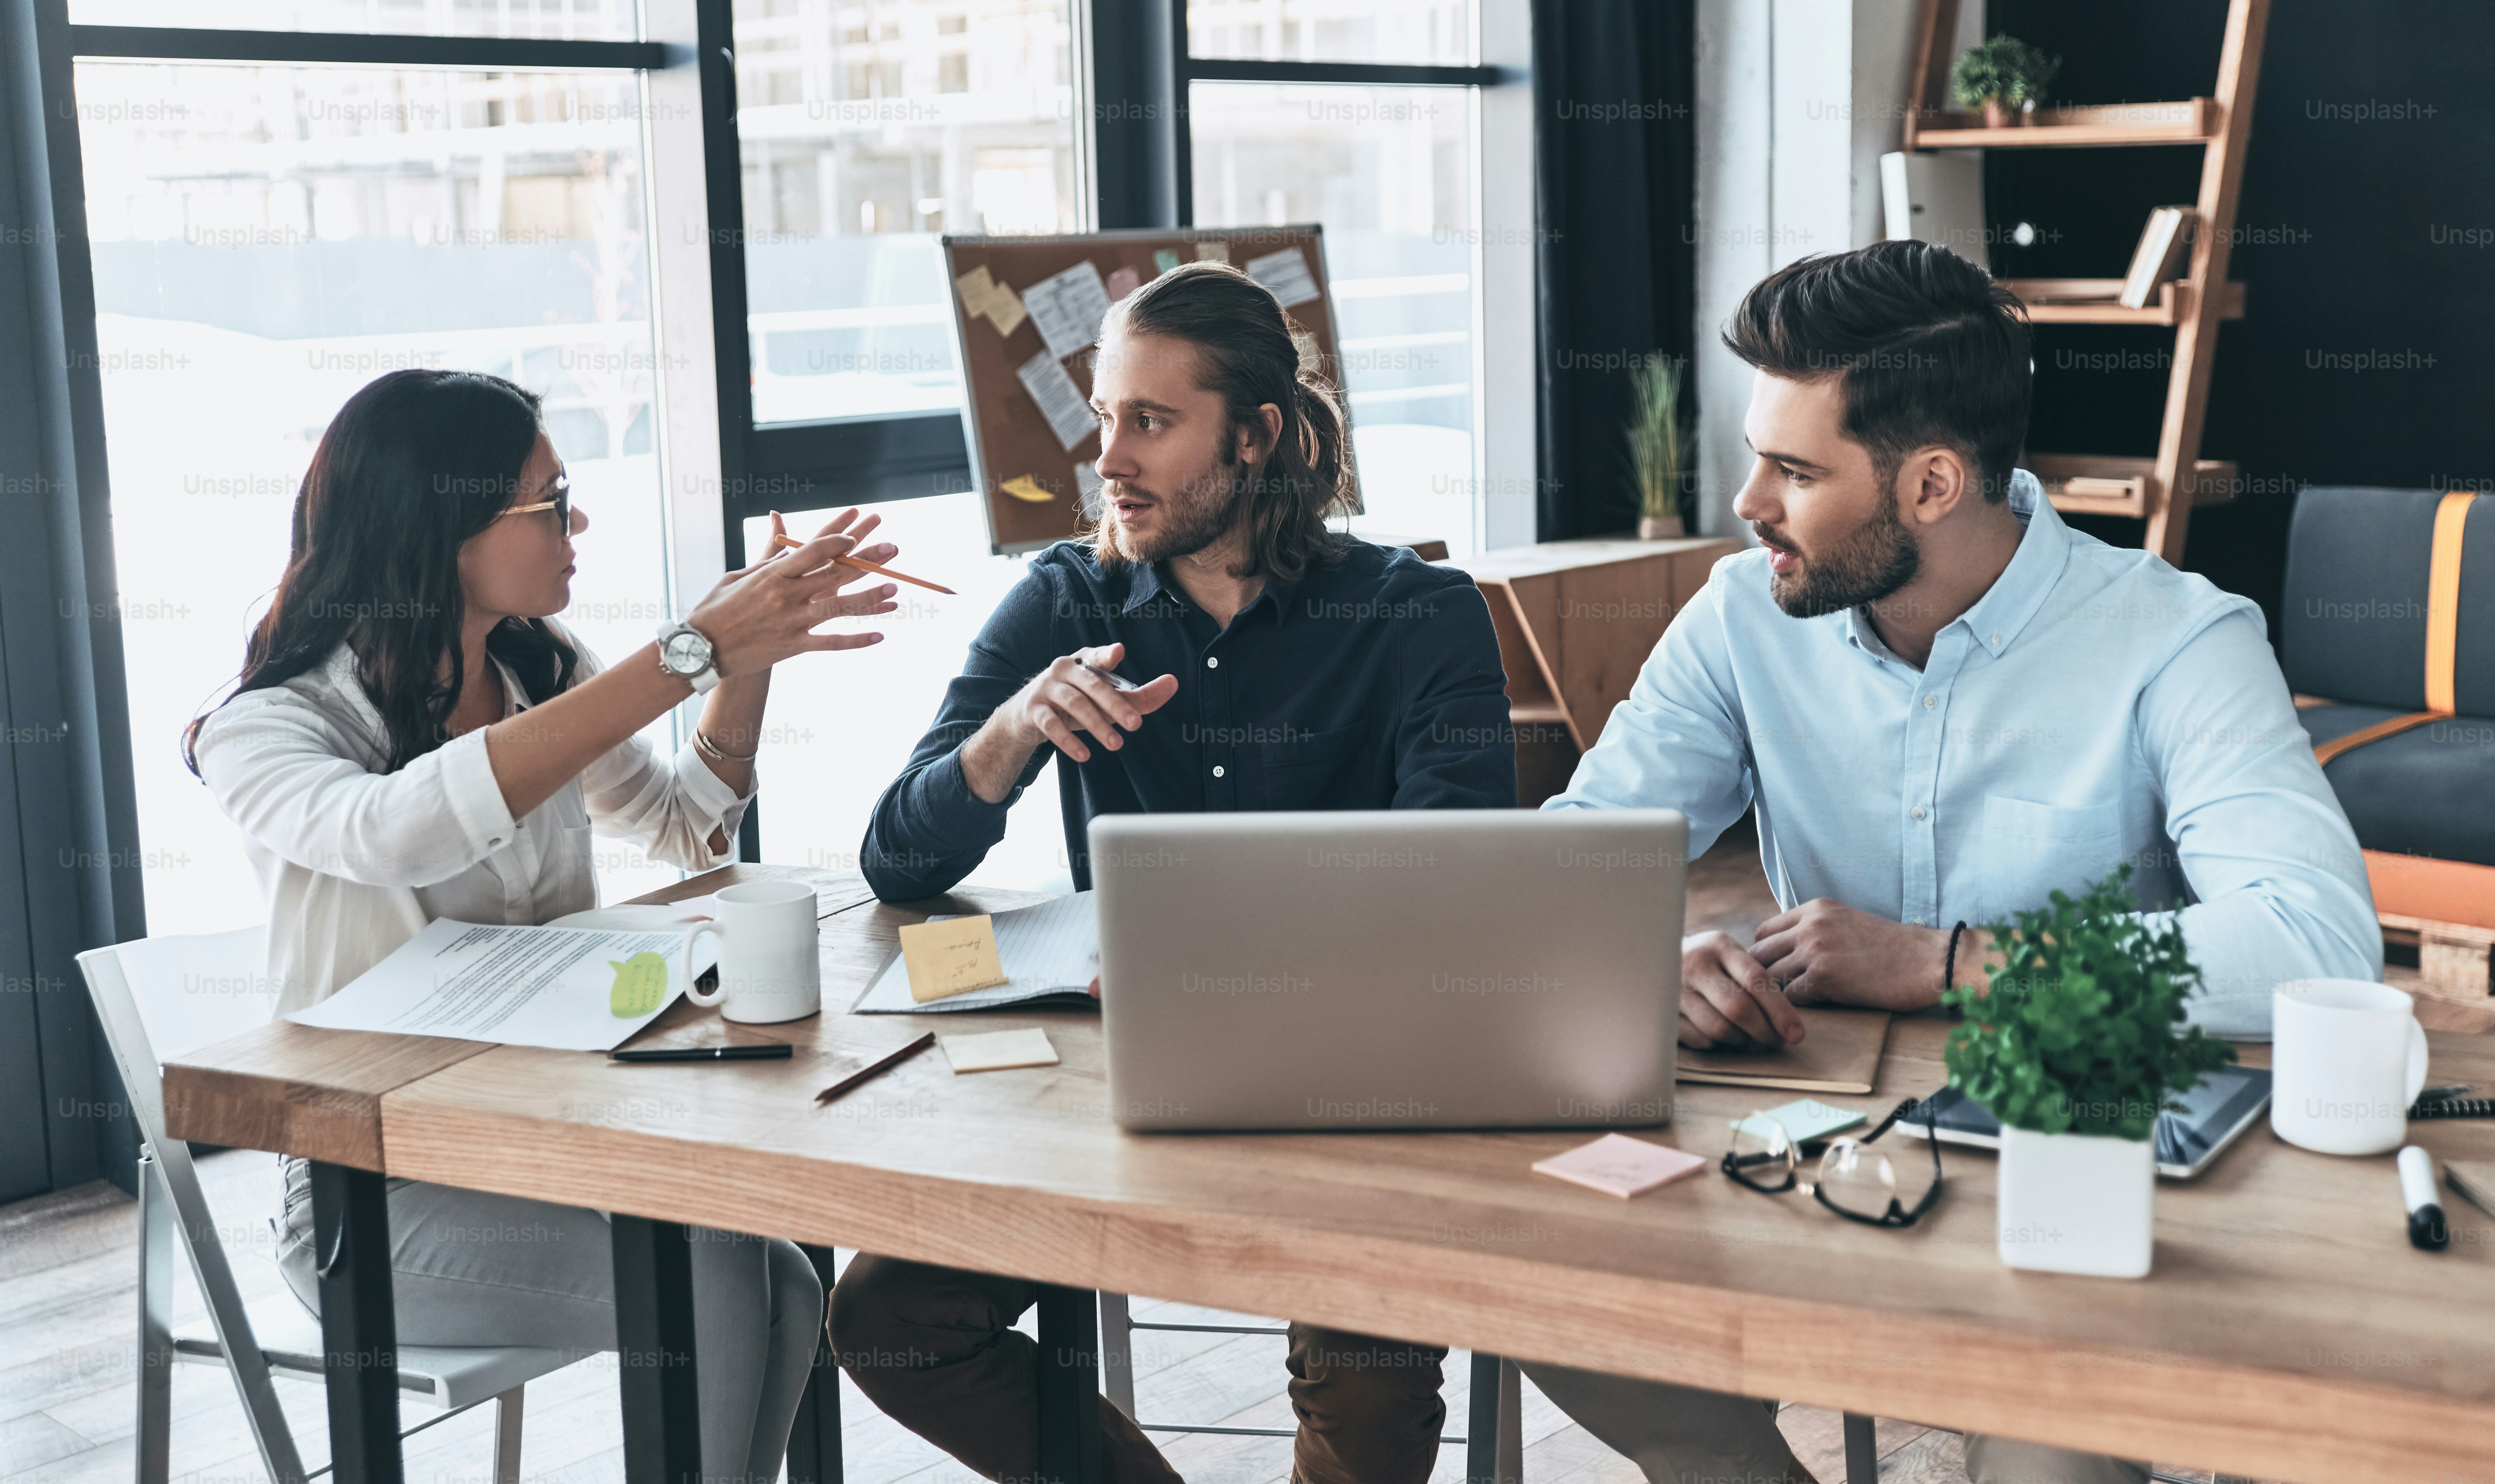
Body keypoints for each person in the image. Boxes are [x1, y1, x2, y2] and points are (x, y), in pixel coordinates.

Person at [1521, 241, 2380, 1484]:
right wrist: (1641, 955)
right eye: (1756, 452)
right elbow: (1569, 872)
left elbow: (2311, 936)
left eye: (1793, 468)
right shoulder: (1742, 612)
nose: (1747, 499)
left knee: (2049, 1469)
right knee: (1557, 1282)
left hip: (2072, 1173)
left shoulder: (2175, 637)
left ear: (1930, 481)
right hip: (1811, 1148)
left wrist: (1947, 962)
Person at [835, 262, 1515, 1484]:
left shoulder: (1420, 615)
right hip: (1113, 1103)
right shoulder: (1063, 601)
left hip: (1341, 1103)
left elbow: (1463, 895)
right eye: (1104, 418)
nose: (1111, 458)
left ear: (1255, 436)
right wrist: (1012, 731)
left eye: (1150, 421)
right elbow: (897, 856)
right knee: (887, 1317)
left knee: (1367, 1368)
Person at [188, 367, 901, 1484]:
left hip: (541, 1141)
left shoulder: (533, 667)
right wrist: (683, 655)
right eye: (550, 500)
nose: (578, 522)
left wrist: (742, 663)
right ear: (442, 521)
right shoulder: (267, 727)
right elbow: (399, 832)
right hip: (369, 1198)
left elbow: (688, 828)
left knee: (787, 1274)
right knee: (714, 1275)